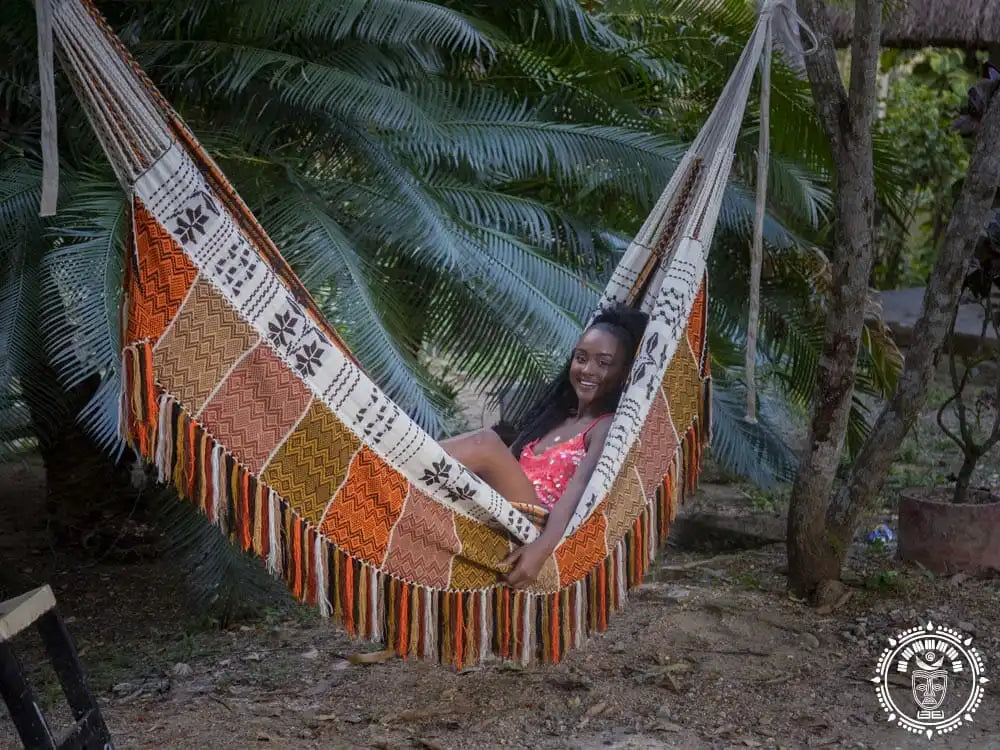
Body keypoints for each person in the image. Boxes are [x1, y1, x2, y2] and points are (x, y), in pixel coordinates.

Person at [442, 305, 649, 587]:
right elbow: (511, 465)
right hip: (501, 509)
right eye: (581, 358)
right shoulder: (554, 418)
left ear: (624, 373)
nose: (588, 370)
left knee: (486, 443)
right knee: (479, 452)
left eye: (603, 363)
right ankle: (401, 465)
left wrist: (542, 549)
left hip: (536, 525)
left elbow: (578, 490)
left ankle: (397, 458)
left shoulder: (606, 426)